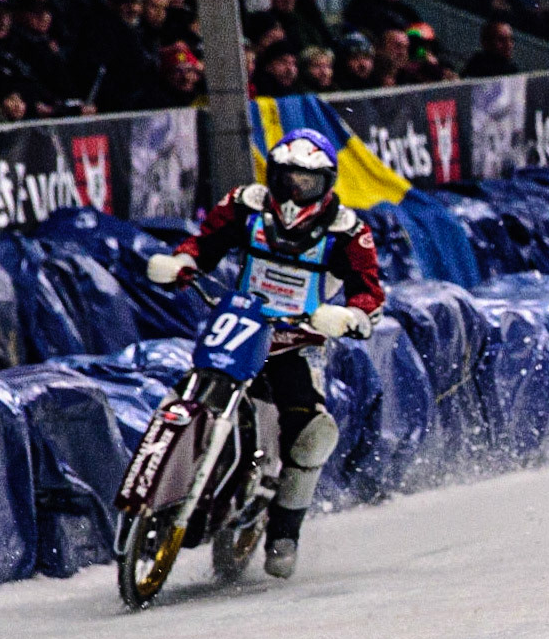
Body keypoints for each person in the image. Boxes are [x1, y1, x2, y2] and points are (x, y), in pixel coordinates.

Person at [145, 129, 385, 578]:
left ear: (327, 184)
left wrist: (350, 316)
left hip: (299, 342)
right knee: (185, 393)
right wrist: (183, 262)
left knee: (313, 432)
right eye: (287, 178)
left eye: (307, 182)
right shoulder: (245, 204)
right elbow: (205, 244)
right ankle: (165, 486)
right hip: (240, 325)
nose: (294, 191)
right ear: (272, 175)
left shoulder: (346, 231)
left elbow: (370, 292)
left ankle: (284, 532)